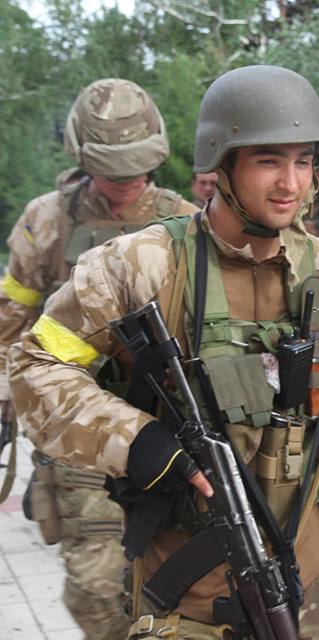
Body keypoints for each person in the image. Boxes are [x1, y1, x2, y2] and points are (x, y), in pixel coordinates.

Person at [9, 64, 319, 640]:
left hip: (304, 574)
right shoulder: (139, 265)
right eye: (269, 160)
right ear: (221, 164)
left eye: (303, 161)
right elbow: (35, 368)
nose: (291, 184)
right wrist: (140, 440)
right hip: (186, 589)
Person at [0, 78, 196, 640]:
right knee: (94, 589)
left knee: (184, 587)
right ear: (83, 157)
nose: (128, 184)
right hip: (81, 433)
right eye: (114, 171)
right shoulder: (47, 220)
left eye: (138, 169)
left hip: (169, 433)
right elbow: (13, 318)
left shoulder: (185, 222)